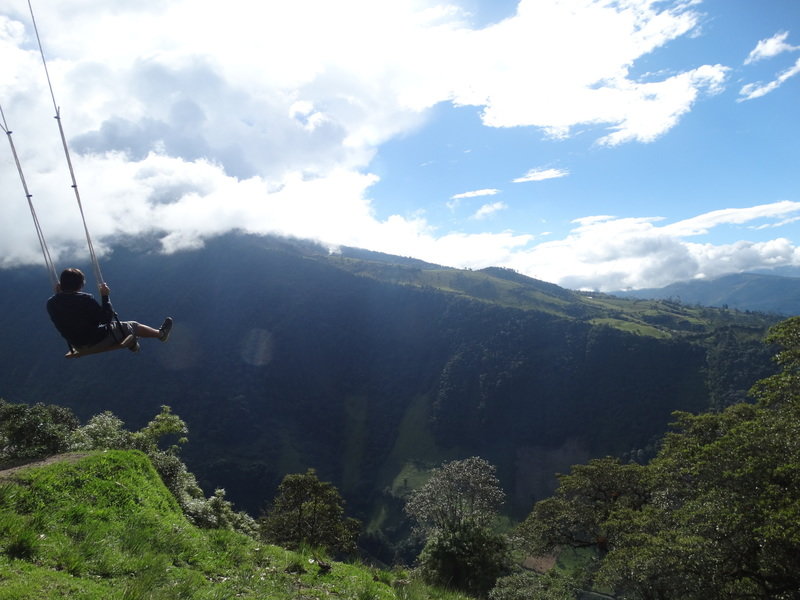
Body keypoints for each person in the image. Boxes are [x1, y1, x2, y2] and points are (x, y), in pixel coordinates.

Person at [47, 267, 172, 355]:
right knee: (132, 325)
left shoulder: (51, 303)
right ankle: (161, 335)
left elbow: (69, 311)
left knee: (122, 329)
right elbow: (106, 318)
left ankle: (133, 343)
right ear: (81, 285)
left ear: (61, 285)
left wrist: (60, 293)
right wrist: (105, 296)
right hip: (96, 341)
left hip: (76, 345)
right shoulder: (85, 299)